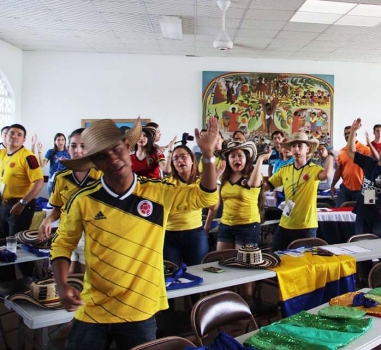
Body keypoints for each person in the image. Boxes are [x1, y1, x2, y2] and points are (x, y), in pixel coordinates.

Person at [50, 118, 220, 349]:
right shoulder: (82, 200)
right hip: (93, 306)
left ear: (127, 149)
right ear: (95, 164)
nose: (112, 159)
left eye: (116, 149)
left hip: (140, 307)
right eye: (102, 156)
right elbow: (63, 244)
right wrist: (61, 284)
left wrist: (208, 155)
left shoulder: (158, 193)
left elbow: (206, 197)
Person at [38, 128, 103, 274]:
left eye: (83, 145)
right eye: (73, 146)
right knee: (68, 278)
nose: (78, 150)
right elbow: (56, 209)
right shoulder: (61, 176)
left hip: (92, 236)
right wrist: (47, 221)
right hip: (67, 235)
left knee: (86, 280)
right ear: (68, 148)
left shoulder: (101, 175)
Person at [267, 132, 333, 251]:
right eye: (293, 146)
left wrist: (330, 156)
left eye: (300, 146)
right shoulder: (284, 170)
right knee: (276, 256)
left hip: (306, 226)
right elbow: (267, 185)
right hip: (285, 223)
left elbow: (327, 174)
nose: (296, 149)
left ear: (307, 149)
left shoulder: (314, 169)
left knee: (305, 262)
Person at [164, 145, 220, 266]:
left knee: (197, 271)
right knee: (170, 273)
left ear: (192, 160)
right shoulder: (167, 184)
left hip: (194, 234)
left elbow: (213, 206)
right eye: (175, 158)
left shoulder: (202, 182)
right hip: (170, 233)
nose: (180, 160)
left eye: (183, 156)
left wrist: (214, 182)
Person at [216, 141, 268, 250]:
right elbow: (216, 201)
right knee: (221, 260)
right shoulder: (223, 177)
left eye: (240, 155)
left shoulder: (253, 175)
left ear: (246, 158)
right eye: (232, 156)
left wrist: (260, 159)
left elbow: (253, 184)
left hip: (247, 225)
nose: (236, 159)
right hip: (225, 224)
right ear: (228, 160)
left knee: (242, 262)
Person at [0, 124, 44, 238]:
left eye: (19, 135)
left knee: (15, 243)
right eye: (12, 133)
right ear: (5, 135)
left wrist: (22, 203)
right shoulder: (2, 154)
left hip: (20, 205)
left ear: (23, 140)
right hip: (3, 205)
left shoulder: (28, 156)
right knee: (2, 242)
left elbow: (39, 181)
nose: (14, 136)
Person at [331, 125, 371, 206]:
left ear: (355, 134)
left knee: (368, 213)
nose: (347, 135)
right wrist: (332, 185)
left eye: (349, 133)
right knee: (338, 212)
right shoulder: (342, 151)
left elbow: (373, 168)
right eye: (345, 134)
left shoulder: (366, 150)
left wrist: (370, 195)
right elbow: (339, 170)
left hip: (365, 188)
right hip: (346, 188)